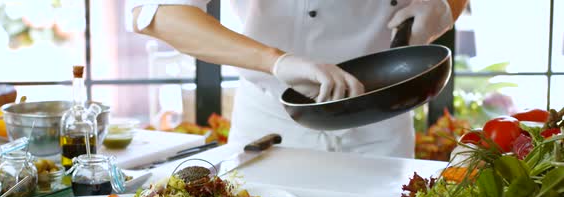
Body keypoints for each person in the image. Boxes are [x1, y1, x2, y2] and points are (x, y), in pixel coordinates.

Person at [128, 0, 468, 157]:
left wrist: (444, 7)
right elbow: (159, 14)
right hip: (270, 122)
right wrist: (277, 62)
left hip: (380, 121)